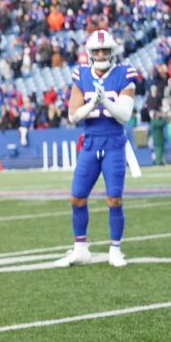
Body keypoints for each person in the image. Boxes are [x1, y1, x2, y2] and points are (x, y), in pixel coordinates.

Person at [54, 29, 138, 269]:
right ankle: (80, 249)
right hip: (90, 143)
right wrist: (93, 102)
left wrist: (106, 102)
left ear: (112, 52)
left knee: (114, 198)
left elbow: (124, 116)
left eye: (105, 50)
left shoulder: (124, 73)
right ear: (90, 53)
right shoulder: (81, 75)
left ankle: (115, 249)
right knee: (77, 197)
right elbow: (73, 116)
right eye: (97, 51)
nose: (101, 54)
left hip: (113, 142)